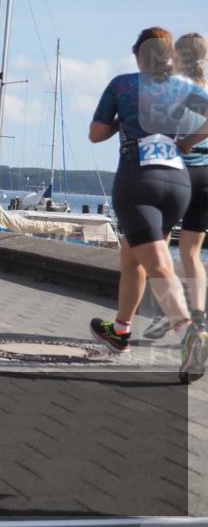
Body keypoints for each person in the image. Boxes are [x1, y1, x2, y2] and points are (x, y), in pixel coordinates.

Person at [89, 27, 208, 383]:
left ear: (138, 55)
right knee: (132, 256)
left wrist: (119, 123)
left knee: (157, 264)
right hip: (177, 185)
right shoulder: (183, 88)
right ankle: (120, 330)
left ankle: (189, 332)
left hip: (137, 182)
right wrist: (185, 144)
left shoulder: (123, 85)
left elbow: (95, 134)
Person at [145, 32, 208, 341]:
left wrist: (185, 143)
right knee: (192, 254)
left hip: (178, 175)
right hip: (207, 177)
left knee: (161, 249)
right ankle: (199, 322)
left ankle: (169, 315)